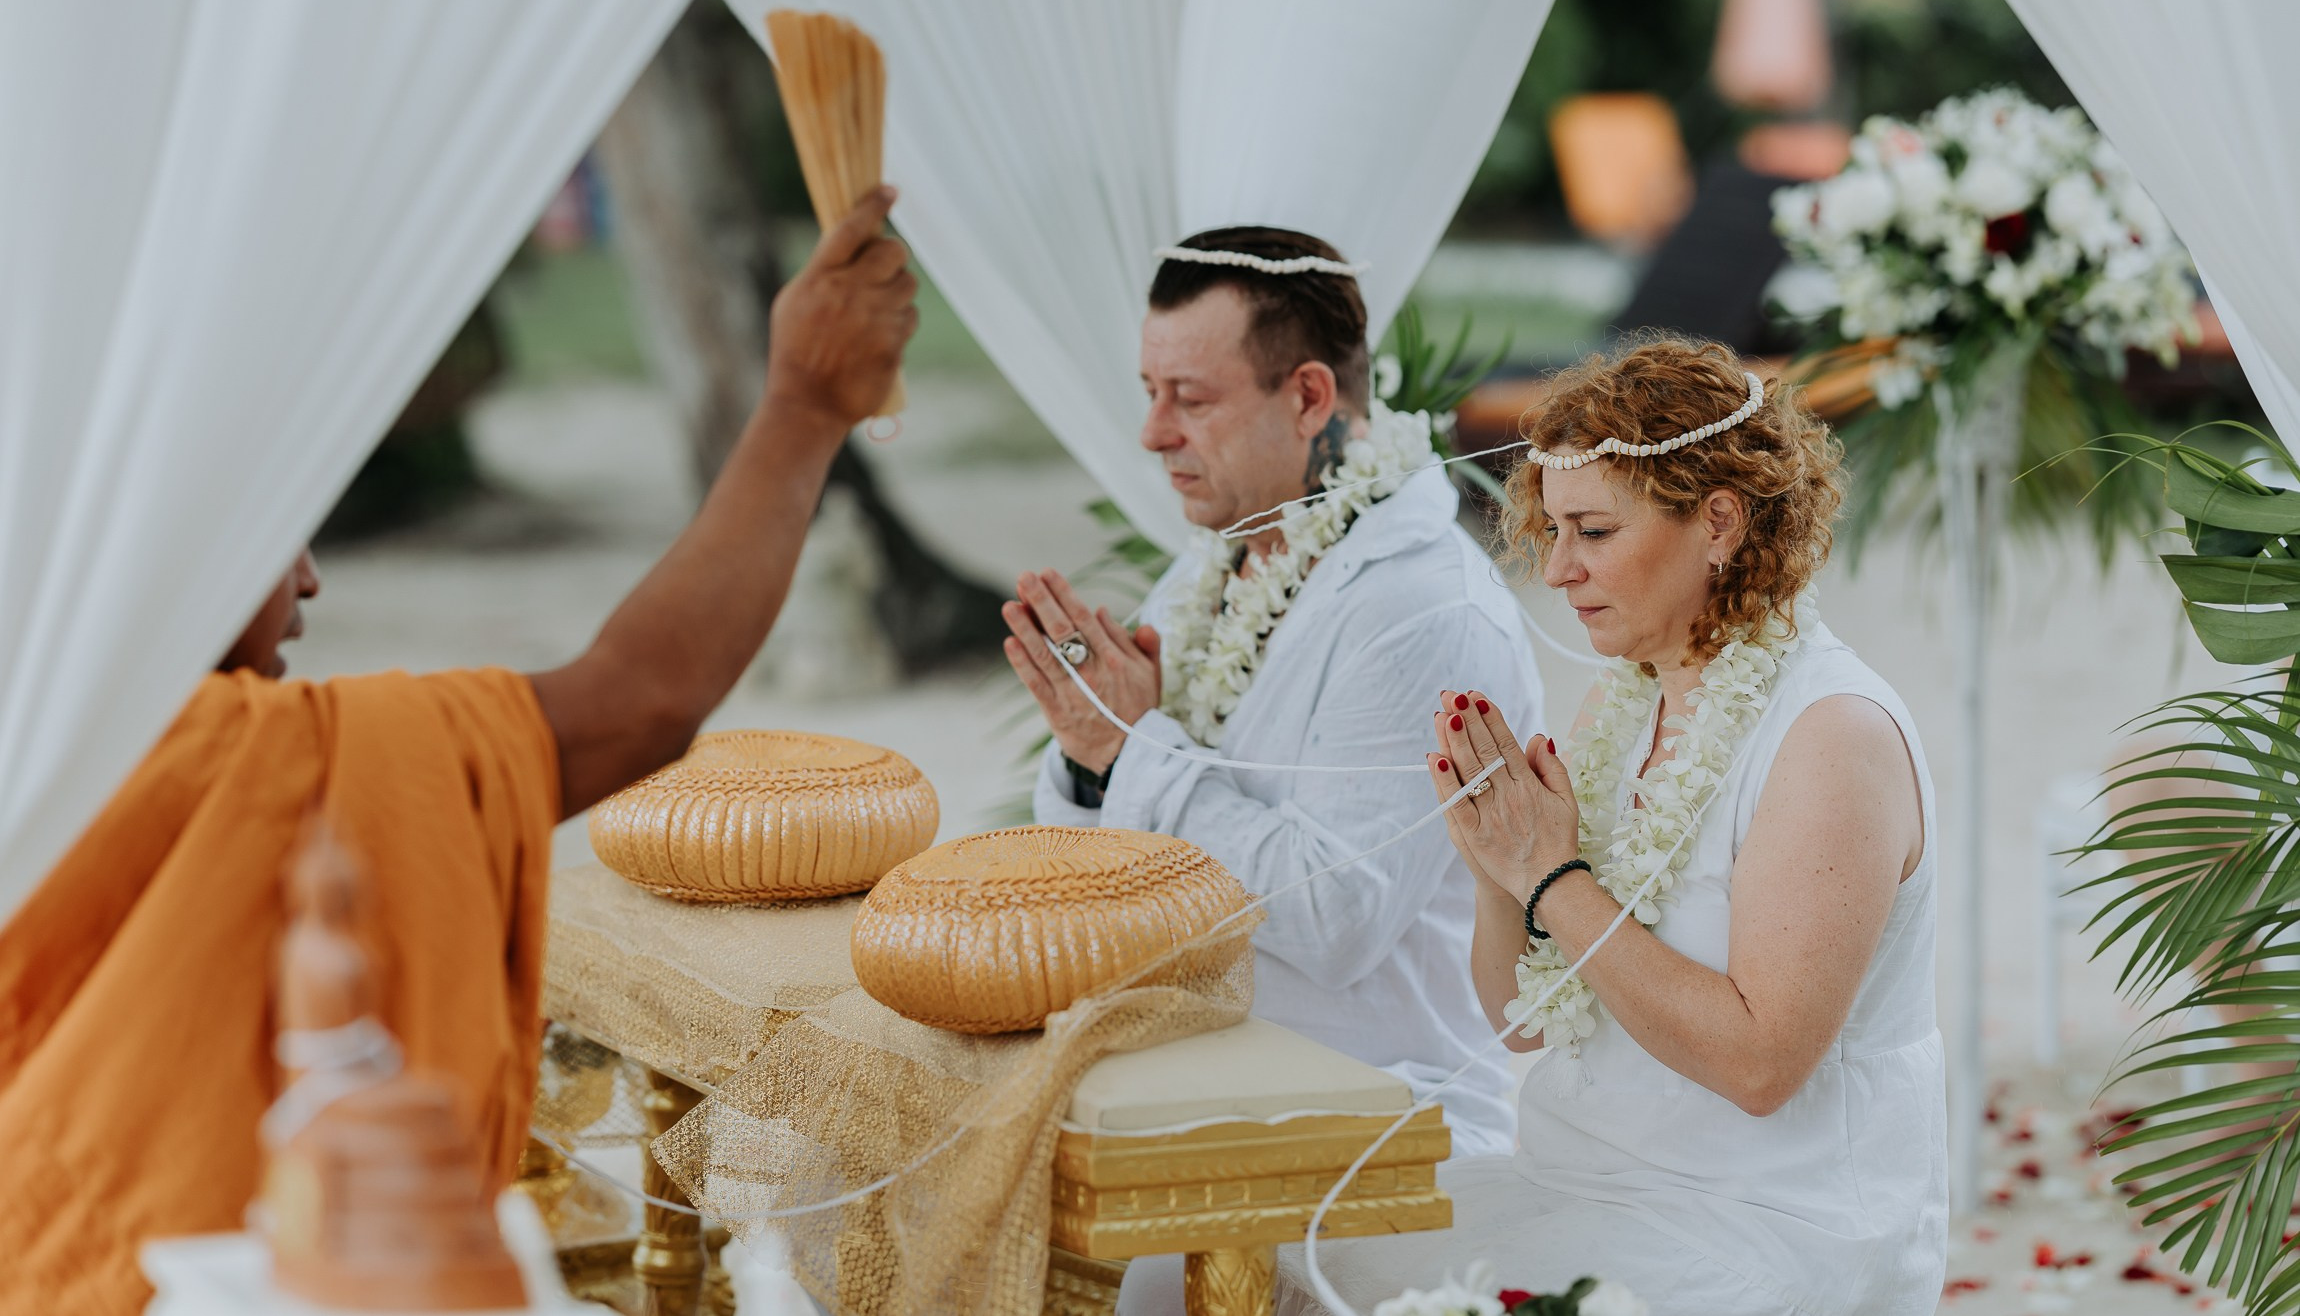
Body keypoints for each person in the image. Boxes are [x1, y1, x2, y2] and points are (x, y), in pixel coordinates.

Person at [0, 188, 919, 1315]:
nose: (309, 580)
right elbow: (637, 698)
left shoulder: (53, 727)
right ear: (170, 544)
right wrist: (803, 405)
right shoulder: (214, 756)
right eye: (274, 532)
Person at [1279, 339, 1946, 1316]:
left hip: (1765, 1224)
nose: (1554, 570)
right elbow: (1522, 1018)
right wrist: (1493, 874)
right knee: (1280, 1256)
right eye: (1548, 531)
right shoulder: (1621, 706)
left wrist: (1553, 881)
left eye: (1590, 531)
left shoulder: (1829, 737)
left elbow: (1758, 1066)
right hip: (1573, 1178)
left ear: (1717, 522)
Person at [1003, 225, 1543, 1165]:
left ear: (1306, 397)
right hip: (1188, 1072)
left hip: (1367, 1122)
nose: (1152, 432)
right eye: (1149, 393)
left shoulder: (1424, 609)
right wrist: (1098, 758)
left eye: (1191, 398)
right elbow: (1111, 833)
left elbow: (1335, 918)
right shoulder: (1224, 555)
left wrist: (1131, 751)